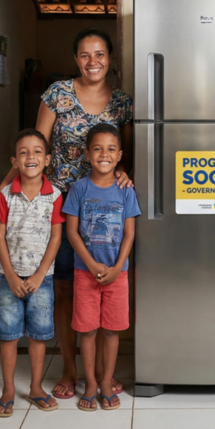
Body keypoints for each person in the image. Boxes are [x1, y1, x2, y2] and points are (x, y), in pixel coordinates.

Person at [0, 28, 133, 400]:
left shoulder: (121, 103)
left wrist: (124, 173)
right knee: (67, 290)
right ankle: (69, 370)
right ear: (76, 59)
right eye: (85, 55)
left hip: (103, 207)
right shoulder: (57, 94)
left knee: (100, 286)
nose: (93, 62)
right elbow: (35, 148)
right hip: (57, 207)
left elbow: (127, 153)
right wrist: (2, 188)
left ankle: (102, 375)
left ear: (110, 59)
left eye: (100, 54)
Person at [62, 124, 139, 411]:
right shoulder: (79, 189)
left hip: (117, 275)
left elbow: (130, 234)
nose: (103, 154)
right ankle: (91, 383)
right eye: (97, 148)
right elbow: (72, 233)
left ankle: (106, 382)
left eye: (110, 149)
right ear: (86, 154)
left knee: (111, 330)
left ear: (119, 155)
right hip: (85, 273)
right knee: (88, 330)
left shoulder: (126, 190)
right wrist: (93, 264)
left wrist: (118, 266)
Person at [0, 129, 65, 417]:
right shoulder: (5, 195)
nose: (30, 156)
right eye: (23, 152)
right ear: (14, 161)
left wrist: (39, 275)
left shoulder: (55, 196)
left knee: (38, 335)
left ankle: (36, 387)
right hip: (8, 278)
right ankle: (8, 390)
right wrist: (9, 274)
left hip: (41, 281)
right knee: (8, 336)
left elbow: (56, 238)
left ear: (47, 159)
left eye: (36, 152)